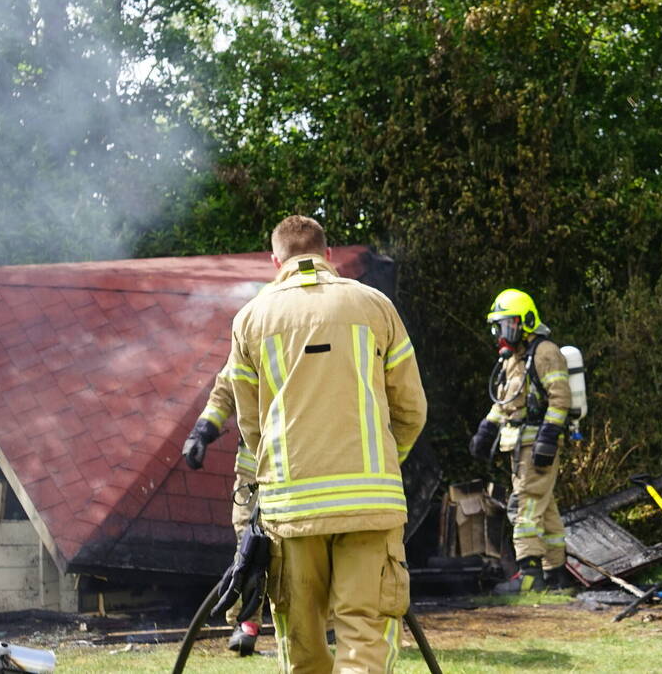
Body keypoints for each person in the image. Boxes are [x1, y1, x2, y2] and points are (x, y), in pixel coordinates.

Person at [226, 215, 427, 672]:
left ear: (274, 261)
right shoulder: (375, 306)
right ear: (328, 254)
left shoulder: (250, 319)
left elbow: (251, 425)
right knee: (366, 636)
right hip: (369, 503)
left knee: (304, 646)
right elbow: (412, 408)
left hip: (292, 510)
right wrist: (384, 462)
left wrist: (275, 477)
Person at [469, 289, 572, 592]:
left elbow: (560, 399)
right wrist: (486, 430)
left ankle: (529, 575)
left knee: (523, 506)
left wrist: (548, 438)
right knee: (545, 508)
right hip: (518, 446)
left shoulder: (545, 353)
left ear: (525, 322)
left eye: (506, 325)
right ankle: (555, 575)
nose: (501, 334)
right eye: (498, 327)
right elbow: (504, 402)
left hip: (536, 445)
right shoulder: (513, 360)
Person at [183, 373, 264, 655]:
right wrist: (201, 432)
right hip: (253, 471)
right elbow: (224, 393)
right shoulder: (248, 346)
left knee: (303, 546)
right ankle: (246, 625)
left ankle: (318, 625)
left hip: (299, 467)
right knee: (249, 546)